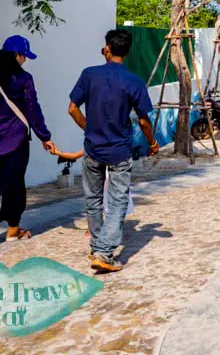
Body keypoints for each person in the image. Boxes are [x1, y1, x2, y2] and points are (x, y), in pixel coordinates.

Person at [68, 29, 158, 274]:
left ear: (107, 48)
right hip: (119, 151)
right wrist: (152, 143)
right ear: (127, 52)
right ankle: (104, 253)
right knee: (117, 202)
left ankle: (97, 246)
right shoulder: (134, 82)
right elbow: (143, 121)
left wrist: (90, 128)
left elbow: (73, 108)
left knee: (93, 200)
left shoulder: (89, 75)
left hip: (92, 148)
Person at [0, 36, 57, 249]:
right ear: (17, 56)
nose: (25, 60)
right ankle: (12, 231)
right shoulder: (24, 78)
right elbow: (32, 110)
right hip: (16, 141)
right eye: (24, 56)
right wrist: (45, 137)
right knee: (14, 184)